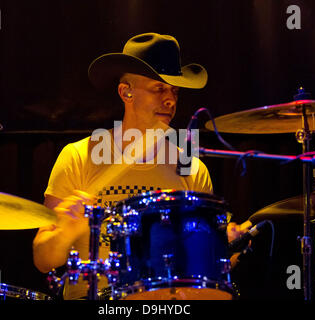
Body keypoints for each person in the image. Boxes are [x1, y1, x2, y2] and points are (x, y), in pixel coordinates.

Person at [32, 32, 251, 299]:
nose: (170, 99)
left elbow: (202, 264)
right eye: (159, 88)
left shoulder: (189, 163)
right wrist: (66, 231)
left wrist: (224, 248)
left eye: (174, 91)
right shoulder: (79, 155)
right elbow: (43, 259)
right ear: (126, 92)